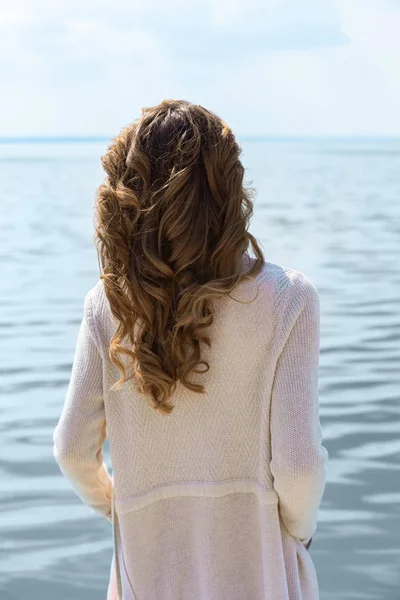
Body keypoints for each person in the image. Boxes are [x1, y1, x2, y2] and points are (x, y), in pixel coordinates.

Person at [53, 99, 329, 600]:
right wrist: (300, 529)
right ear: (229, 188)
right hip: (259, 570)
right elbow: (299, 466)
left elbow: (73, 447)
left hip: (148, 572)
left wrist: (124, 504)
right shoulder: (288, 300)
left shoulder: (108, 306)